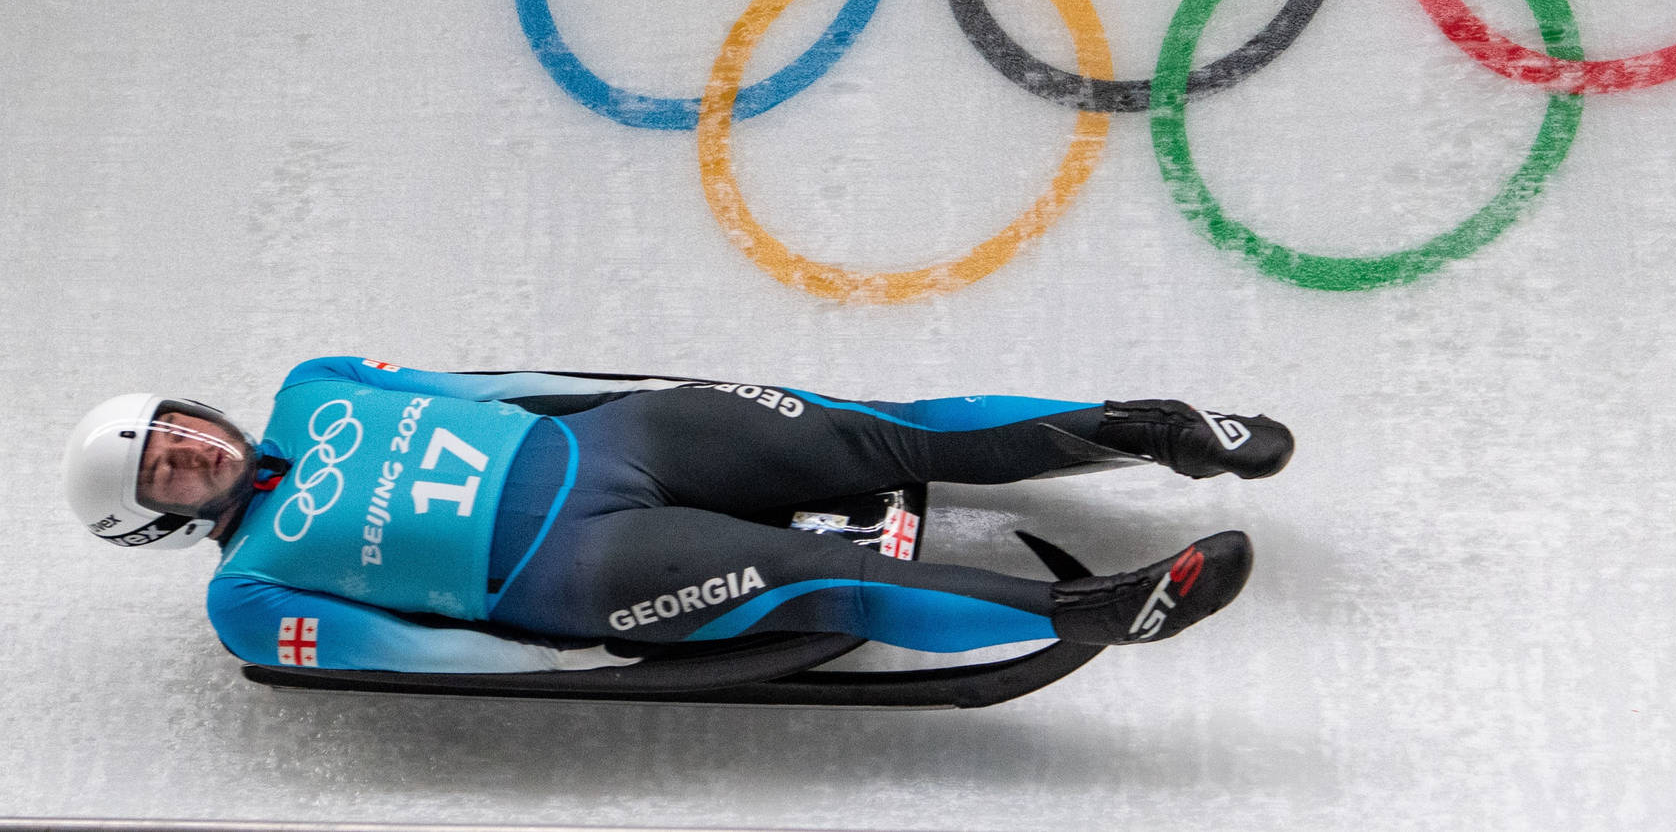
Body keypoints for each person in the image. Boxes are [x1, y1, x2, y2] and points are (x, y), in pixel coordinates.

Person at [63, 357, 1293, 673]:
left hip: (617, 437)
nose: (195, 453)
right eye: (168, 473)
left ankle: (1156, 429)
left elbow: (489, 389)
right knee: (803, 577)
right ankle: (1091, 613)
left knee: (884, 430)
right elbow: (426, 652)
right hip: (581, 565)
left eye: (181, 430)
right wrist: (576, 654)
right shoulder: (246, 597)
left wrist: (633, 392)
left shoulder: (315, 387)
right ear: (158, 522)